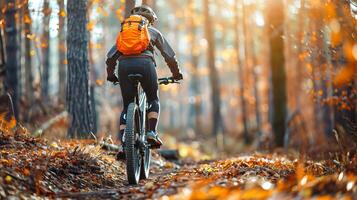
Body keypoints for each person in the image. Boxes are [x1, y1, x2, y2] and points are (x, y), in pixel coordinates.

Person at [106, 5, 183, 159]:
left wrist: (111, 75)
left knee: (127, 106)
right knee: (153, 98)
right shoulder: (152, 32)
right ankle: (152, 132)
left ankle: (123, 144)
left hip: (124, 67)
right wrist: (176, 74)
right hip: (146, 65)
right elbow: (169, 56)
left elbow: (110, 57)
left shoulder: (125, 34)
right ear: (151, 20)